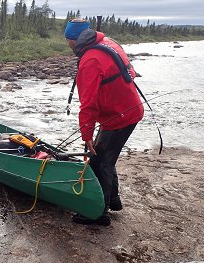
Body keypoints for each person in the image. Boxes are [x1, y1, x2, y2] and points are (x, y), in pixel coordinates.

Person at [64, 19, 144, 226]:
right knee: (106, 157)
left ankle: (99, 213)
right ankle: (113, 201)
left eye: (67, 41)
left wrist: (86, 136)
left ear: (73, 40)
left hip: (119, 117)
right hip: (127, 111)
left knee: (99, 162)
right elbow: (131, 73)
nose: (67, 45)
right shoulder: (108, 43)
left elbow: (88, 104)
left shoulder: (90, 61)